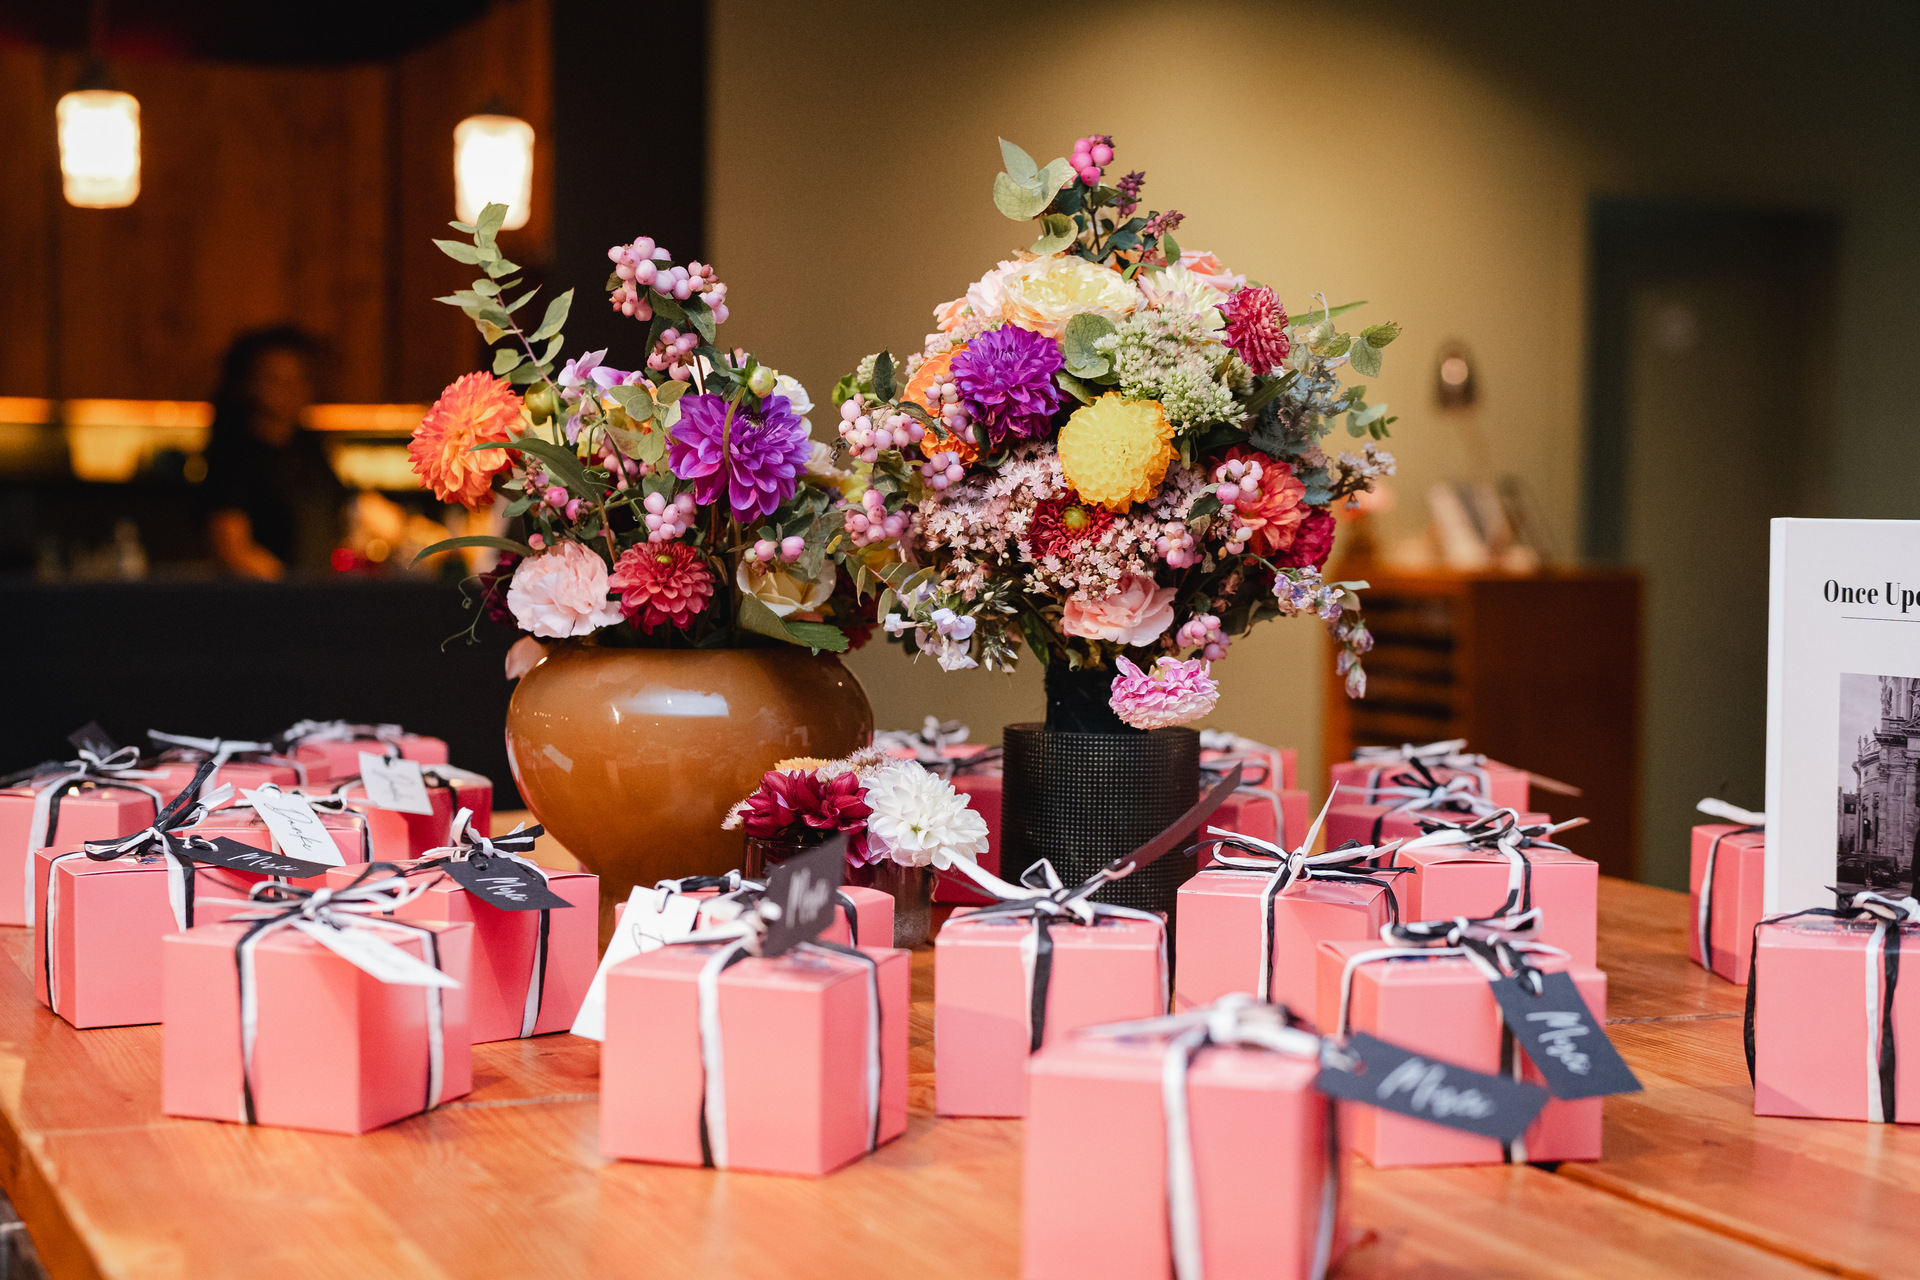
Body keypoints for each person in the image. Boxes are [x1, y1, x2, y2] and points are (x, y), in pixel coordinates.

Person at [199, 326, 346, 578]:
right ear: (247, 385)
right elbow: (232, 549)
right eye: (273, 380)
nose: (288, 390)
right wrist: (289, 589)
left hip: (316, 599)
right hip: (261, 605)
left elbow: (337, 522)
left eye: (297, 379)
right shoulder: (232, 458)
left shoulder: (311, 451)